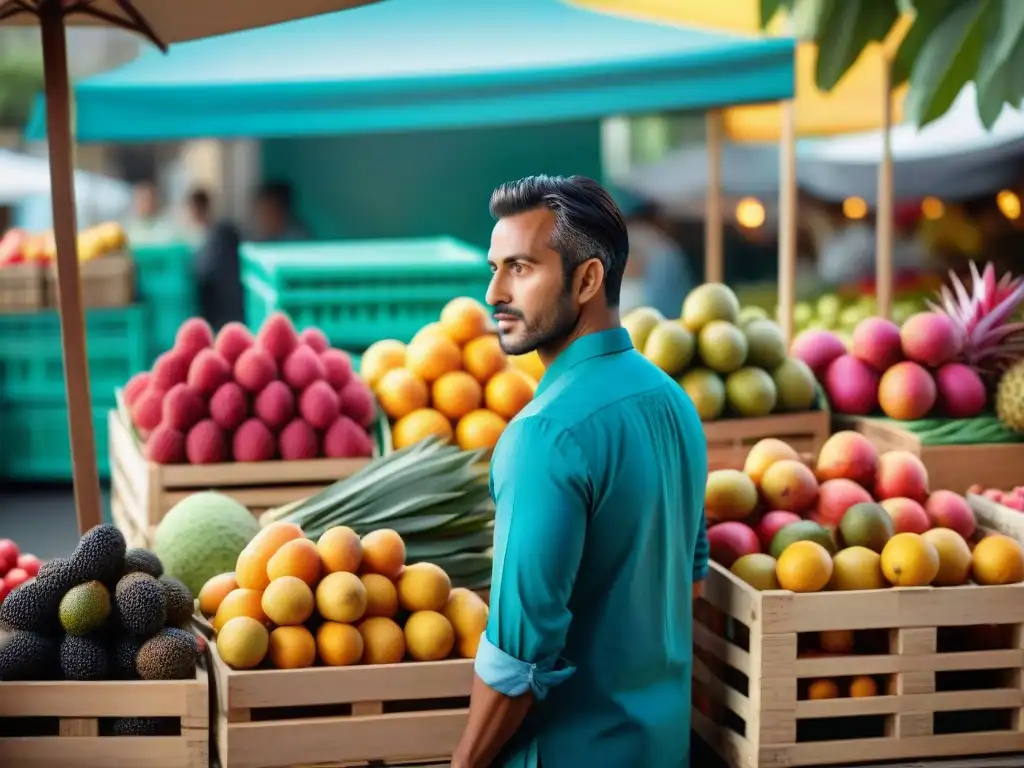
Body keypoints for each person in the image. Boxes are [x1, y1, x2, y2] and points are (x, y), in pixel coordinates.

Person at [452, 175, 709, 768]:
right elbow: (692, 583)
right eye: (493, 268)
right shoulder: (674, 401)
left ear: (589, 279)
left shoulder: (544, 436)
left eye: (520, 268)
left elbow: (519, 662)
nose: (493, 292)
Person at [122, 179, 178, 246]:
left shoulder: (168, 229)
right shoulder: (127, 229)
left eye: (149, 200)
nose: (146, 204)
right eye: (142, 200)